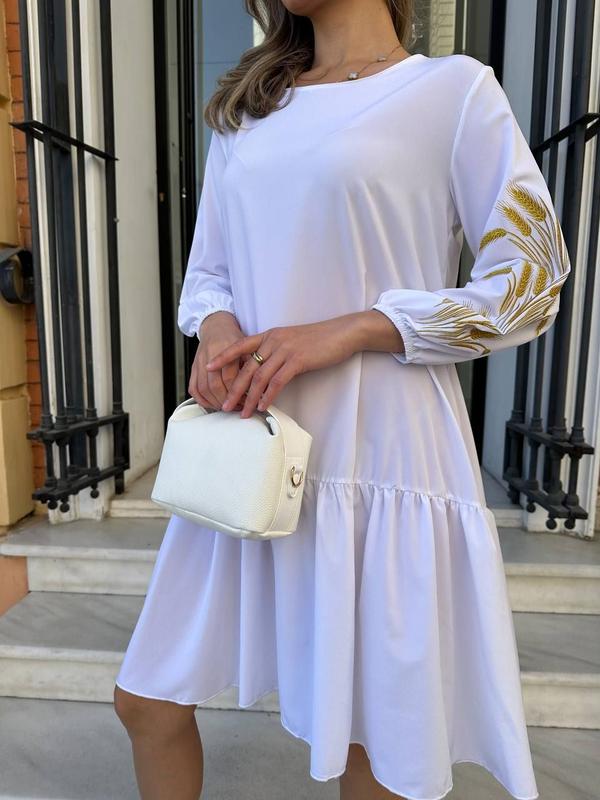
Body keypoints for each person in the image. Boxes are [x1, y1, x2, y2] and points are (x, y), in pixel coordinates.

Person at [113, 1, 571, 798]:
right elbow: (210, 271)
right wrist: (215, 331)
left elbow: (531, 286)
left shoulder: (454, 92)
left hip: (382, 452)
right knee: (146, 700)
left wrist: (356, 327)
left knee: (374, 742)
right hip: (249, 452)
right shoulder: (248, 107)